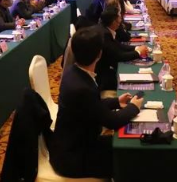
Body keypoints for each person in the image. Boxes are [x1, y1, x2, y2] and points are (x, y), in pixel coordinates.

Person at [51, 26, 143, 178]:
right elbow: (112, 121)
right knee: (129, 159)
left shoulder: (73, 71)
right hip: (73, 158)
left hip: (73, 143)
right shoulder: (82, 88)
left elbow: (91, 107)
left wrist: (116, 102)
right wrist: (134, 107)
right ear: (99, 54)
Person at [95, 7, 147, 90]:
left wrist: (136, 48)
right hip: (102, 76)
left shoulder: (104, 29)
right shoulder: (105, 34)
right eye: (119, 18)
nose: (121, 20)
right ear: (113, 21)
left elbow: (118, 45)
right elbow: (119, 56)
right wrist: (138, 52)